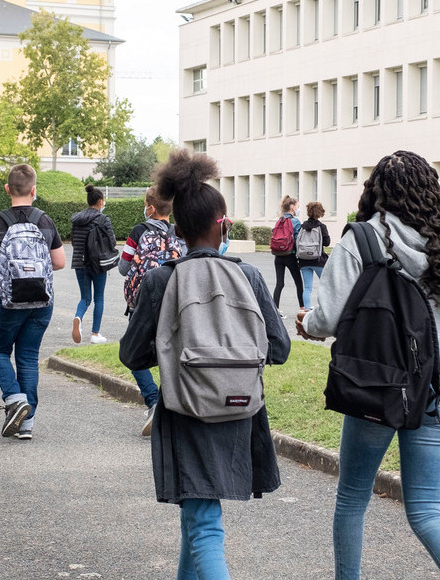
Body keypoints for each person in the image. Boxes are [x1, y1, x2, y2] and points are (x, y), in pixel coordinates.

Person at [296, 150, 440, 580]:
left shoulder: (360, 240)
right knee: (425, 511)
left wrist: (307, 322)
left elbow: (325, 319)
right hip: (436, 389)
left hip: (374, 385)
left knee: (352, 499)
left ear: (375, 191)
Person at [120, 149, 291, 579]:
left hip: (185, 413)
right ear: (224, 225)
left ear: (177, 230)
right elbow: (280, 347)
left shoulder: (162, 280)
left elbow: (131, 354)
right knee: (196, 518)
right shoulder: (249, 276)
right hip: (239, 410)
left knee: (203, 522)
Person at [0, 164, 66, 440]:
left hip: (7, 301)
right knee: (28, 358)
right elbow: (59, 262)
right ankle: (26, 425)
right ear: (34, 190)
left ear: (7, 190)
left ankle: (15, 400)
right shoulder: (45, 220)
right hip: (41, 300)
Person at [120, 186, 186, 436]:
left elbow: (123, 268)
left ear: (150, 207)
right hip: (175, 301)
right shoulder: (179, 233)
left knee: (132, 350)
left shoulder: (139, 231)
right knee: (171, 355)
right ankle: (168, 406)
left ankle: (153, 400)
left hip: (143, 302)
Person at [70, 185, 116, 345]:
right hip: (98, 263)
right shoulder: (103, 219)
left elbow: (74, 241)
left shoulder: (77, 219)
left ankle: (78, 317)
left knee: (85, 298)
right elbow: (112, 241)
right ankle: (95, 334)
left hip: (79, 262)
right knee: (99, 298)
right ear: (100, 202)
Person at [271, 196, 303, 317]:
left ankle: (275, 309)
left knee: (279, 283)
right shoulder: (295, 221)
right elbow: (298, 239)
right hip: (290, 255)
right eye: (297, 206)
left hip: (278, 255)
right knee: (298, 282)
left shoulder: (279, 220)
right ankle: (302, 308)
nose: (298, 208)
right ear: (292, 206)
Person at [296, 201, 330, 312]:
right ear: (320, 212)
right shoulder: (321, 226)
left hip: (303, 261)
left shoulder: (302, 226)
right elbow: (327, 243)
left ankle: (306, 309)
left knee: (307, 287)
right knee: (325, 285)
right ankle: (324, 307)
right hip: (318, 260)